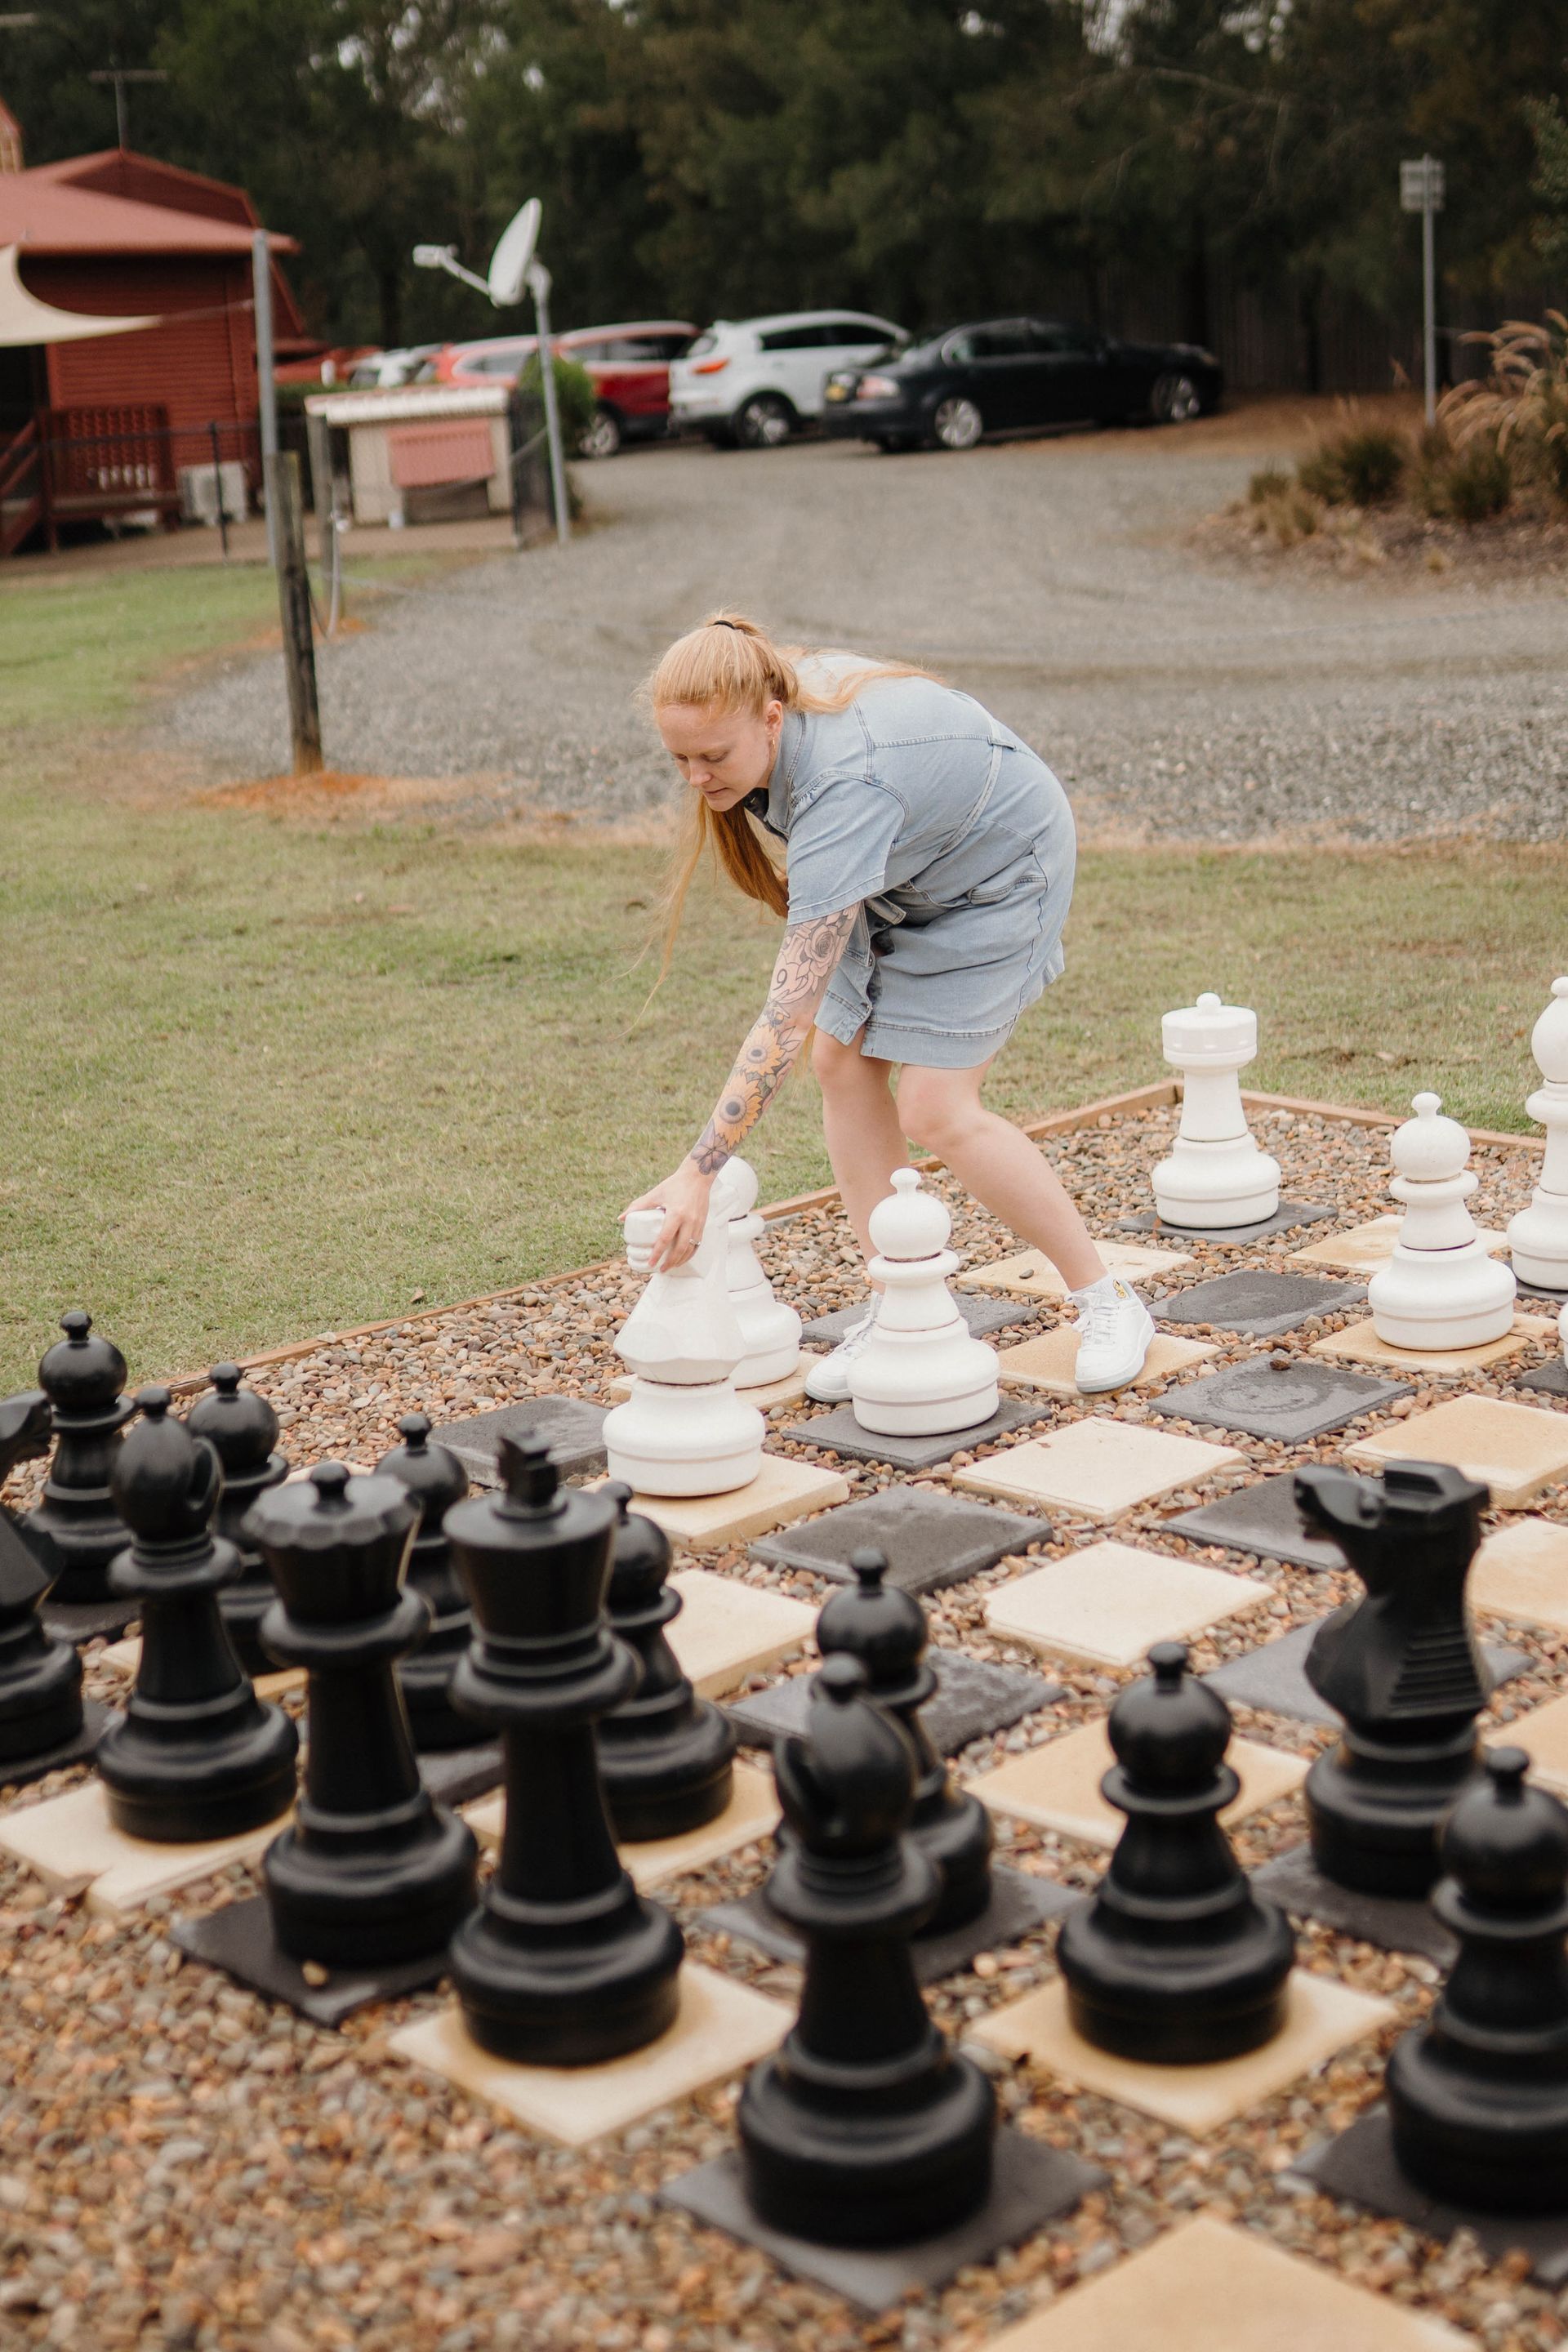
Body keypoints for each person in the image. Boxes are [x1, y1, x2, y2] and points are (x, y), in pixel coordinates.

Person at [626, 612, 1154, 1399]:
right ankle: (897, 1303)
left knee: (937, 1108)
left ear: (772, 719)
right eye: (680, 759)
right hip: (904, 862)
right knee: (840, 1065)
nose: (698, 779)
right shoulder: (762, 691)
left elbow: (785, 1015)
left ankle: (1107, 1301)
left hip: (1000, 871)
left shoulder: (846, 787)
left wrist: (699, 1171)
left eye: (714, 757)